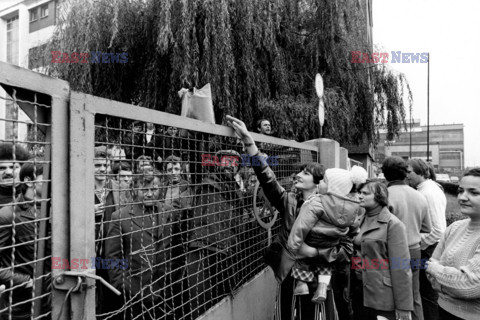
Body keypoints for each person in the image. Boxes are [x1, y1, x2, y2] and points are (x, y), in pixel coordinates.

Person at [227, 115, 353, 320]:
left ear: (318, 182)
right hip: (289, 278)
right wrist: (249, 141)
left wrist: (314, 251)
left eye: (305, 172)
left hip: (318, 282)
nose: (298, 175)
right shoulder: (289, 202)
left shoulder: (333, 210)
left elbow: (346, 251)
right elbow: (267, 179)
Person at [105, 173, 180, 320]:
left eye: (154, 189)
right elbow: (112, 258)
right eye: (144, 190)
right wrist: (125, 285)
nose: (150, 194)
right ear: (134, 190)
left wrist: (173, 279)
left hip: (166, 290)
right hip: (135, 294)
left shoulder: (170, 212)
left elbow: (177, 249)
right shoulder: (120, 217)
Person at [287, 167, 366, 303]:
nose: (320, 183)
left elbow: (302, 225)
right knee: (325, 264)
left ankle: (302, 284)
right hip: (332, 243)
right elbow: (354, 226)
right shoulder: (354, 205)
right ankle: (322, 287)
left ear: (332, 188)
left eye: (324, 181)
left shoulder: (317, 202)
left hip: (313, 239)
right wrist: (351, 232)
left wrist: (293, 246)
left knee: (302, 261)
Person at [185, 149, 244, 319]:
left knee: (225, 301)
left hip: (226, 252)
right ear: (218, 162)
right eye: (227, 160)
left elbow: (237, 223)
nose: (231, 165)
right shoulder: (207, 182)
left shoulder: (235, 192)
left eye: (235, 163)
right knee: (202, 304)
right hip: (203, 248)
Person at [351, 179, 413, 320]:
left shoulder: (393, 225)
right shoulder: (359, 219)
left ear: (380, 197)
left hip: (382, 296)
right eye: (359, 192)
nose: (360, 196)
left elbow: (401, 267)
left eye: (365, 193)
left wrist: (403, 307)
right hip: (358, 291)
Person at [426, 168, 480, 320]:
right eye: (461, 190)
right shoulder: (454, 227)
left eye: (474, 193)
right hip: (443, 310)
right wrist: (452, 280)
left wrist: (438, 273)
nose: (463, 197)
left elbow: (472, 285)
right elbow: (429, 268)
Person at [382, 156, 431, 320]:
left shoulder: (382, 196)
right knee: (414, 295)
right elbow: (427, 228)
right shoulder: (419, 196)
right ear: (405, 173)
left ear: (384, 174)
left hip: (391, 253)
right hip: (415, 251)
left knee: (390, 296)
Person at [0, 162, 47, 318]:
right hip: (21, 305)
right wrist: (27, 281)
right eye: (47, 177)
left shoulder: (56, 209)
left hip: (54, 297)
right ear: (28, 181)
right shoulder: (8, 215)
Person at [407, 159, 447, 320]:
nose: (406, 175)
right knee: (424, 293)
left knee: (427, 294)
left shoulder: (428, 193)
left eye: (409, 172)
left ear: (422, 173)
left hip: (428, 251)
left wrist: (418, 246)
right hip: (427, 249)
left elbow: (438, 229)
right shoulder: (426, 189)